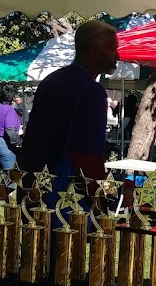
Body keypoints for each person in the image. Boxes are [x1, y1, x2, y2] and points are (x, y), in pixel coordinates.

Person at [19, 19, 116, 194]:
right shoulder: (91, 91)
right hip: (67, 194)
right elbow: (87, 154)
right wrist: (98, 195)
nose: (117, 56)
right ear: (95, 51)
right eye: (112, 49)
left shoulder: (50, 81)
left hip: (33, 182)